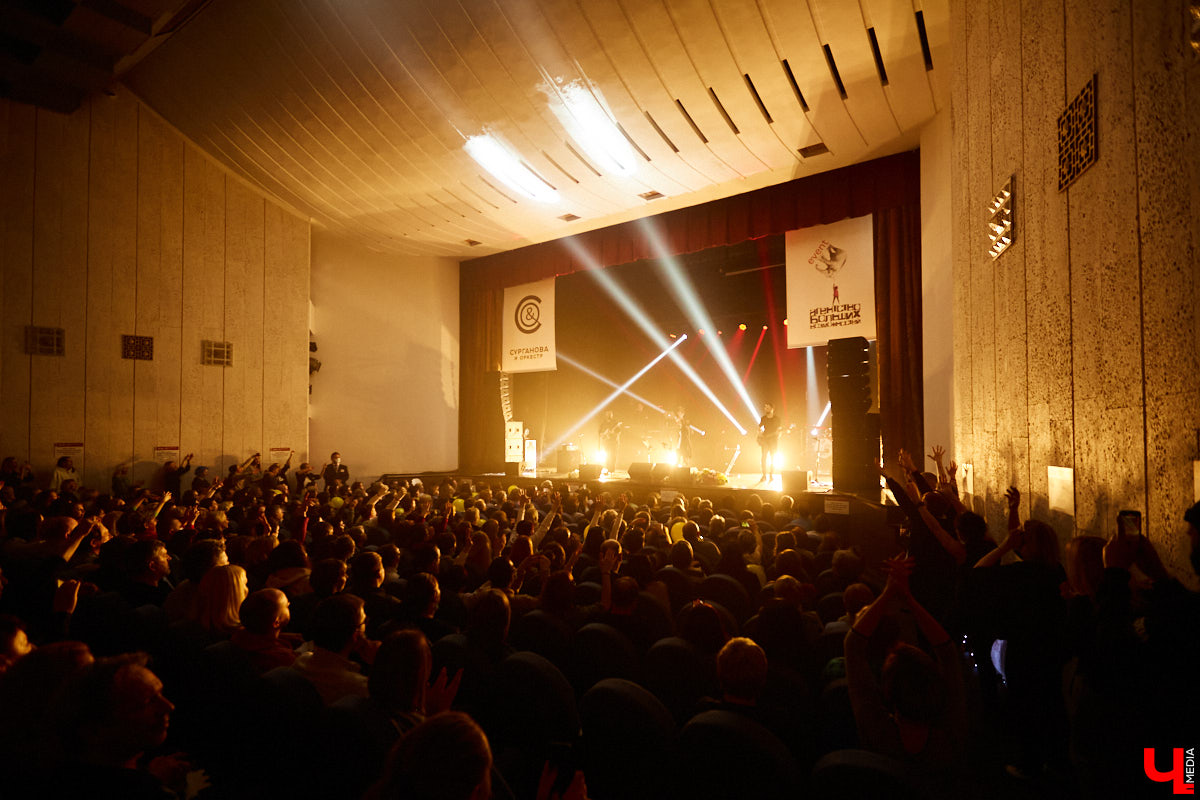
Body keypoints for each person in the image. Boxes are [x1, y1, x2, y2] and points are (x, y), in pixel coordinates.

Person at [757, 403, 782, 482]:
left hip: (773, 440)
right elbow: (759, 428)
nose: (766, 409)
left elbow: (779, 430)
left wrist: (777, 435)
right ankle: (764, 475)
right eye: (765, 408)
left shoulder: (777, 419)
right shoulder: (763, 418)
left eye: (767, 408)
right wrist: (759, 434)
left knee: (773, 458)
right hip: (765, 440)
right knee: (763, 458)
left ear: (772, 409)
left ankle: (771, 475)